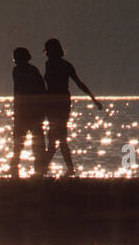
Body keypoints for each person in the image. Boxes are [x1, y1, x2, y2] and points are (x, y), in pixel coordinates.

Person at [42, 37, 102, 177]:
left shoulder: (63, 65)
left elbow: (79, 83)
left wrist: (93, 99)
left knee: (57, 137)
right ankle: (60, 168)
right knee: (56, 137)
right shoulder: (51, 64)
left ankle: (50, 169)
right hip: (54, 103)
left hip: (59, 104)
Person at [10, 47, 47, 177]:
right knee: (31, 141)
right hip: (29, 110)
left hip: (26, 110)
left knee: (22, 141)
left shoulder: (21, 71)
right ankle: (36, 169)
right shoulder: (30, 71)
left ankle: (17, 168)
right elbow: (42, 90)